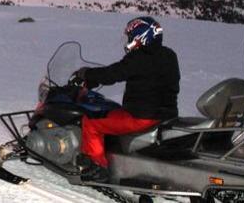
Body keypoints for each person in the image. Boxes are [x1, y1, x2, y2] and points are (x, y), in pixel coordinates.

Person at [71, 16, 180, 183]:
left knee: (91, 122)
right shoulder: (169, 55)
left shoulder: (139, 58)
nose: (128, 40)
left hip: (141, 117)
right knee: (111, 111)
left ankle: (96, 166)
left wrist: (85, 73)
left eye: (130, 36)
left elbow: (113, 74)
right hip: (166, 115)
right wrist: (93, 80)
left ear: (140, 37)